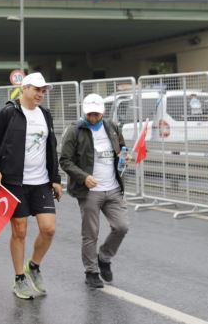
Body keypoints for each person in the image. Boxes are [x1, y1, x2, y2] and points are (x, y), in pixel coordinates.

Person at [0, 72, 62, 300]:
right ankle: (19, 278)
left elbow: (51, 148)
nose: (40, 94)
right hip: (14, 182)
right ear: (25, 88)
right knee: (19, 230)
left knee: (49, 228)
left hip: (41, 182)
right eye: (37, 89)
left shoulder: (45, 115)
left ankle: (34, 266)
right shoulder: (8, 112)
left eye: (43, 90)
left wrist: (55, 178)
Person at [59, 93, 129, 289]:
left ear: (102, 112)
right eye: (90, 114)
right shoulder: (75, 130)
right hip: (90, 191)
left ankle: (104, 257)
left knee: (121, 227)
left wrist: (126, 156)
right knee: (90, 233)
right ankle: (91, 271)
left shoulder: (112, 128)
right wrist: (84, 177)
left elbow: (122, 148)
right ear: (85, 112)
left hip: (113, 188)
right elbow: (65, 161)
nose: (93, 117)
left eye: (96, 114)